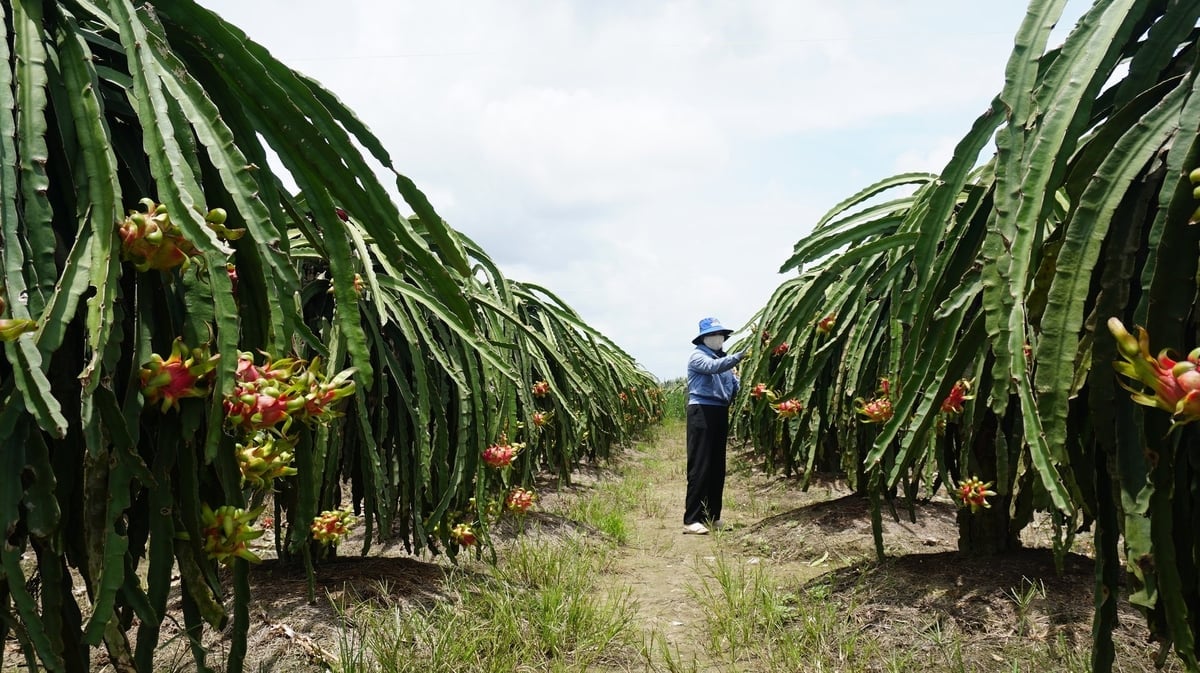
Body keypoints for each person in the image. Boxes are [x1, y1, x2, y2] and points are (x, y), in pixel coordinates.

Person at [683, 317, 746, 535]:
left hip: (720, 410)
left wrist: (738, 382)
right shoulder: (698, 357)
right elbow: (713, 368)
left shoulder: (725, 360)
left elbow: (733, 385)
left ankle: (713, 516)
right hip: (701, 410)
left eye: (720, 335)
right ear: (703, 338)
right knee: (700, 465)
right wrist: (740, 357)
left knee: (717, 466)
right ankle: (692, 519)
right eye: (712, 335)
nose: (717, 338)